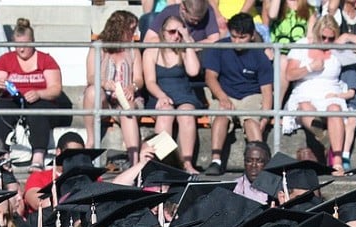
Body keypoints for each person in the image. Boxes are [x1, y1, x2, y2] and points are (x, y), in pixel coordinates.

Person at [0, 18, 73, 171]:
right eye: (18, 45)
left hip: (41, 101)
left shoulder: (46, 60)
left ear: (32, 41)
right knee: (0, 111)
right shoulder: (5, 60)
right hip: (12, 100)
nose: (21, 49)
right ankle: (2, 154)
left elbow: (55, 89)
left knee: (37, 112)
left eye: (25, 45)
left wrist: (39, 93)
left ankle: (38, 155)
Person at [202, 13, 274, 176]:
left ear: (251, 35)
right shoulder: (219, 47)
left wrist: (265, 117)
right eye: (234, 37)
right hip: (225, 92)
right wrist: (222, 98)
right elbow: (210, 77)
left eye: (242, 37)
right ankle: (216, 161)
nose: (237, 41)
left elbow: (266, 91)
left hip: (251, 95)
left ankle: (261, 163)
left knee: (251, 121)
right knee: (220, 116)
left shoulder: (259, 55)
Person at [284, 18, 350, 172]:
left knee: (334, 108)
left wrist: (348, 38)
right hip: (304, 93)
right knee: (305, 107)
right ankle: (326, 141)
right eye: (323, 37)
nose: (326, 42)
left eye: (331, 38)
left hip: (331, 94)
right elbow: (289, 74)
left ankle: (337, 162)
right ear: (316, 33)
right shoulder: (302, 45)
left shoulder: (338, 48)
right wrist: (310, 67)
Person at [144, 14, 204, 174]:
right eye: (172, 32)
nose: (176, 36)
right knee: (165, 113)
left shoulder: (183, 50)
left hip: (183, 94)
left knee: (186, 114)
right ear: (163, 32)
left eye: (179, 32)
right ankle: (164, 162)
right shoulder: (152, 51)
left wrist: (187, 39)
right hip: (160, 94)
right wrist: (161, 96)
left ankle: (187, 163)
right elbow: (150, 81)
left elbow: (193, 71)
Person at [83, 10, 143, 167]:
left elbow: (139, 79)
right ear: (119, 29)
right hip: (104, 97)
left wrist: (132, 86)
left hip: (126, 97)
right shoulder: (99, 47)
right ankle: (90, 141)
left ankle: (134, 160)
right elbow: (90, 77)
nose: (134, 34)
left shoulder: (133, 50)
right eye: (131, 30)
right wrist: (103, 83)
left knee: (128, 108)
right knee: (92, 91)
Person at [144, 0, 221, 43]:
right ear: (183, 8)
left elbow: (214, 39)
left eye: (200, 20)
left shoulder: (208, 11)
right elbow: (148, 40)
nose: (196, 23)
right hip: (172, 54)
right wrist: (172, 42)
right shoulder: (169, 12)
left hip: (198, 54)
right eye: (193, 20)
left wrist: (192, 46)